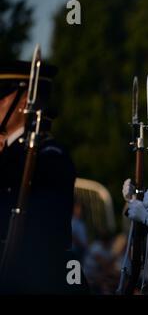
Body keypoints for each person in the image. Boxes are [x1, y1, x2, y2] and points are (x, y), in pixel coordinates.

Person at [0, 60, 83, 294]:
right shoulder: (10, 154)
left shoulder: (48, 156)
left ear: (23, 102)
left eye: (1, 97)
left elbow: (45, 230)